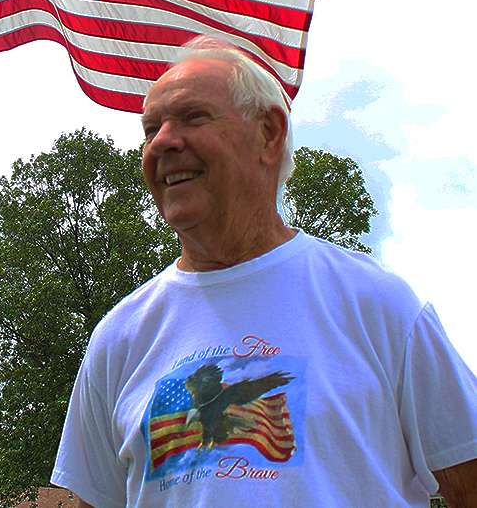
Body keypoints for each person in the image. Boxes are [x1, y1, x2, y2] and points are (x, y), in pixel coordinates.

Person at [51, 37, 477, 507]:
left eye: (193, 117)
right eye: (151, 129)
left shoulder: (377, 305)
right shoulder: (121, 337)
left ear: (269, 134)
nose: (163, 142)